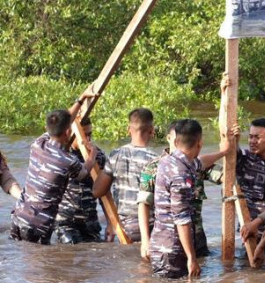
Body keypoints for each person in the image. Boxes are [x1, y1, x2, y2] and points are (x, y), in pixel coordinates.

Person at [10, 93, 97, 244]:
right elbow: (83, 173)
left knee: (23, 258)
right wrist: (93, 155)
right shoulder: (68, 161)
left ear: (47, 128)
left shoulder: (38, 144)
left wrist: (80, 100)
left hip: (19, 215)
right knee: (40, 265)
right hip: (39, 224)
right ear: (68, 133)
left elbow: (63, 121)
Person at [138, 121, 230, 260]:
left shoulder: (194, 164)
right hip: (169, 242)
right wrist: (145, 241)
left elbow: (227, 178)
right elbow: (144, 204)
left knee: (198, 281)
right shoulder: (154, 167)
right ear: (171, 139)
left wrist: (230, 149)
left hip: (196, 240)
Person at [148, 119, 205, 279]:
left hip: (161, 244)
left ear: (176, 141)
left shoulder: (168, 161)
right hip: (171, 249)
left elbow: (200, 163)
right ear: (199, 143)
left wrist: (224, 151)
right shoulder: (181, 174)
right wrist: (192, 258)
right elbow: (182, 219)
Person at [93, 107, 158, 243]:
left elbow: (98, 191)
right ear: (152, 131)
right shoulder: (155, 160)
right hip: (147, 226)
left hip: (121, 226)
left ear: (129, 129)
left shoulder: (115, 155)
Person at [56, 115, 108, 244]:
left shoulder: (99, 156)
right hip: (66, 221)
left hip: (90, 221)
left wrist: (111, 223)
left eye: (90, 134)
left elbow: (104, 193)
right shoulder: (61, 156)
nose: (88, 139)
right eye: (84, 135)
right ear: (71, 134)